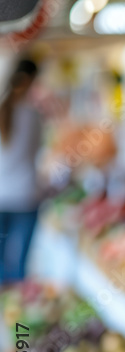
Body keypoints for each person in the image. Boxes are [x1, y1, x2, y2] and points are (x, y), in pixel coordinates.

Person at [0, 59, 43, 287]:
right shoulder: (31, 115)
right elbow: (37, 151)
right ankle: (19, 320)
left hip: (2, 195)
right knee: (19, 270)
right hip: (26, 195)